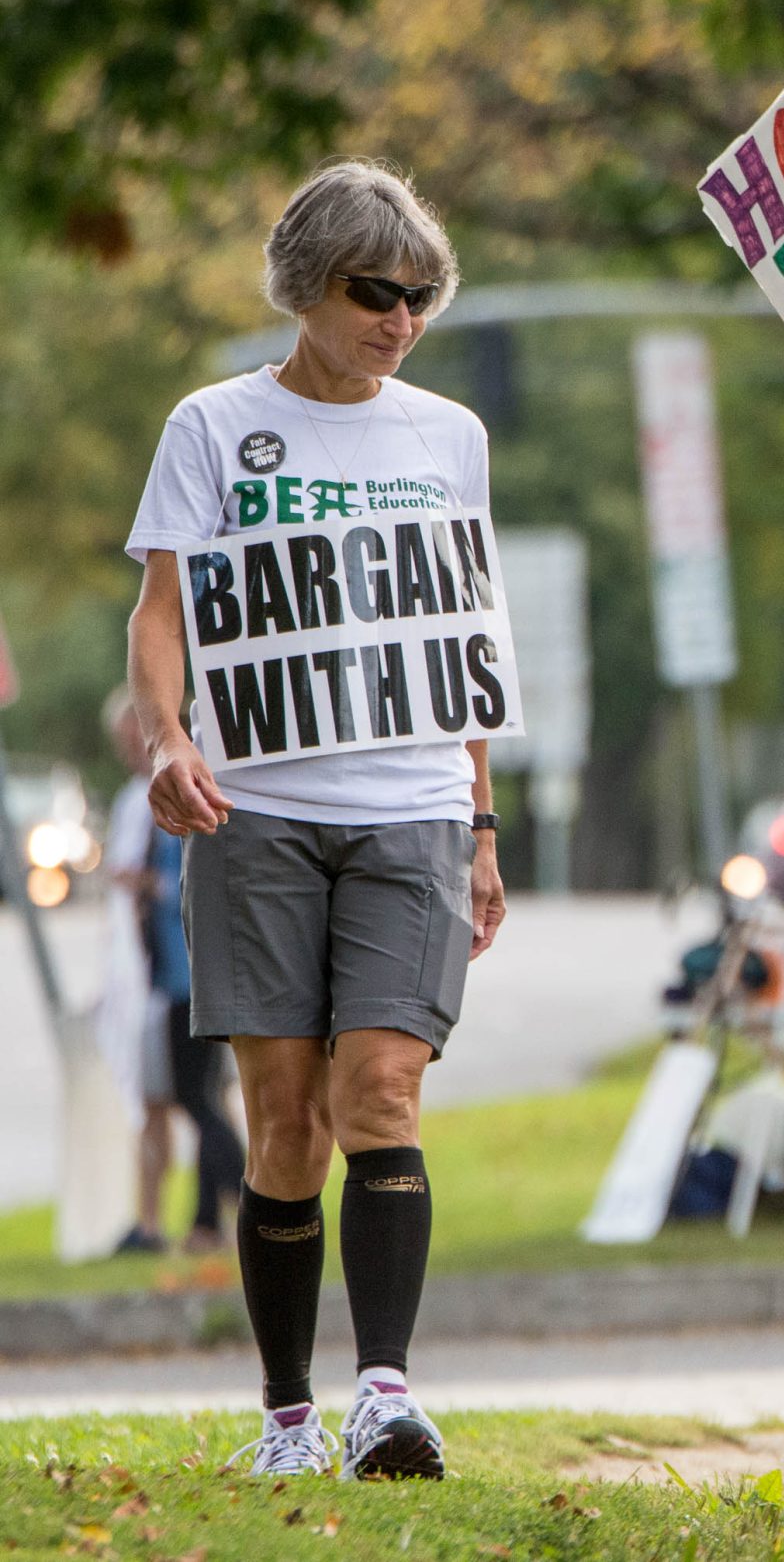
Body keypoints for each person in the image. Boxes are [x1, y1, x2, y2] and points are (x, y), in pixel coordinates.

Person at [124, 161, 507, 1480]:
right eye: (373, 291)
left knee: (381, 1090)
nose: (399, 316)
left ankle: (388, 1395)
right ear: (307, 286)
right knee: (284, 1115)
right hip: (259, 809)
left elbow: (460, 635)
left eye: (418, 295)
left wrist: (484, 819)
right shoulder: (214, 426)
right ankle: (288, 1412)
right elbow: (162, 609)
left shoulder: (449, 435)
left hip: (411, 811)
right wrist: (170, 736)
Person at [106, 690, 247, 1256]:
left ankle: (249, 1199)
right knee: (198, 1099)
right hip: (173, 977)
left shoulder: (180, 799)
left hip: (190, 978)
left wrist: (143, 885)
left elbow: (185, 885)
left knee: (198, 1102)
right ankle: (207, 1220)